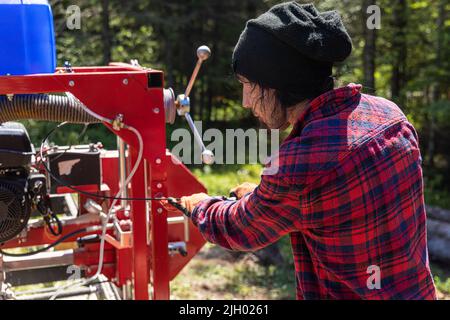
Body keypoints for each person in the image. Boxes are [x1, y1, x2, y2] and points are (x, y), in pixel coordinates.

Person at [164, 2, 437, 300]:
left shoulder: (300, 163)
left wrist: (198, 204)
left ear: (277, 83)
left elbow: (240, 228)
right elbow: (337, 198)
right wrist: (261, 195)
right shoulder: (390, 116)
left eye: (247, 84)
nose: (244, 100)